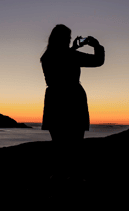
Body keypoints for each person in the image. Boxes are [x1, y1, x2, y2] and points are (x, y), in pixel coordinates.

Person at [40, 24, 105, 186]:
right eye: (68, 38)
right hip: (73, 100)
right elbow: (98, 61)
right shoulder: (71, 55)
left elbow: (59, 62)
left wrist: (73, 49)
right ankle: (74, 179)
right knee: (76, 144)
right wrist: (97, 46)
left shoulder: (47, 56)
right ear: (62, 39)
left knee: (59, 144)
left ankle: (59, 177)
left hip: (54, 101)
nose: (69, 41)